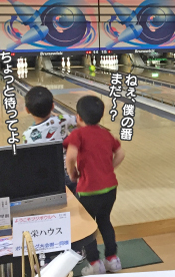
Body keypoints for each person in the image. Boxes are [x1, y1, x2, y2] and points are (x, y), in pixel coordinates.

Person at [64, 96, 126, 275]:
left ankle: (95, 263)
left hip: (88, 191)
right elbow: (121, 154)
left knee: (88, 227)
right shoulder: (106, 133)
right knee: (105, 221)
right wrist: (109, 168)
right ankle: (112, 259)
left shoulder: (78, 134)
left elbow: (70, 157)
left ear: (78, 117)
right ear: (101, 116)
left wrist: (73, 174)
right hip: (110, 189)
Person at [22, 86, 77, 193]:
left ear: (27, 110)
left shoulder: (27, 135)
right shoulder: (62, 120)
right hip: (67, 174)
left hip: (45, 177)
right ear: (52, 106)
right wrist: (59, 117)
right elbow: (80, 121)